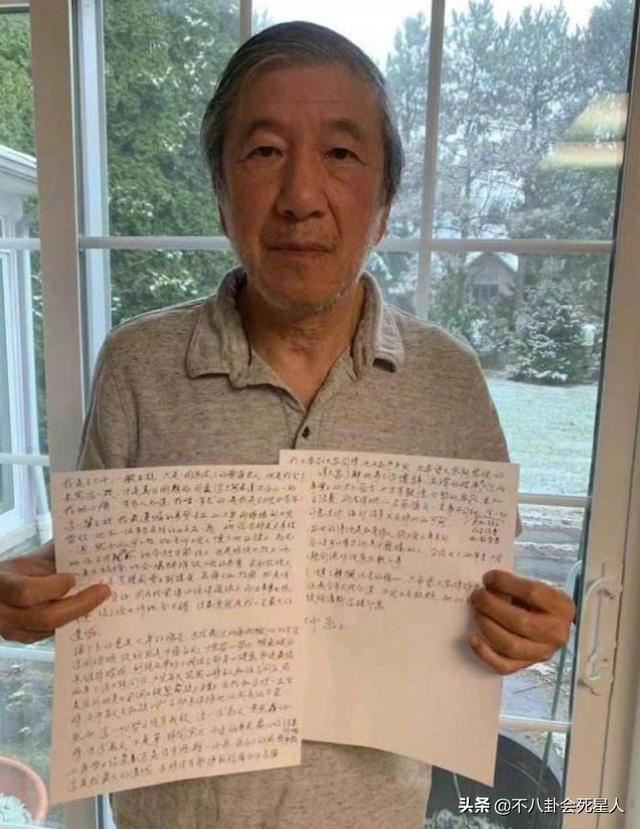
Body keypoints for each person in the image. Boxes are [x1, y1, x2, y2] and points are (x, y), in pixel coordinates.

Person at [0, 21, 575, 829]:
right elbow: (101, 573)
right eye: (265, 151)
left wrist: (527, 626)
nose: (302, 196)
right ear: (221, 193)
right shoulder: (138, 365)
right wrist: (28, 596)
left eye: (341, 153)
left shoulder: (448, 380)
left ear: (384, 204)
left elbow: (485, 593)